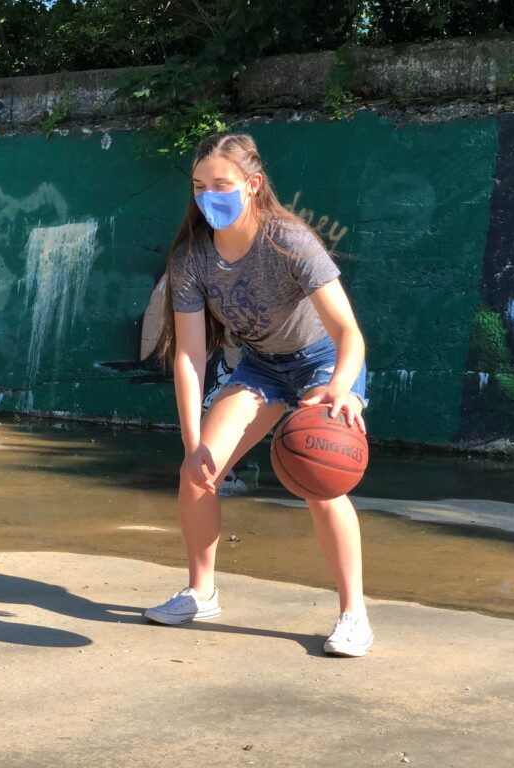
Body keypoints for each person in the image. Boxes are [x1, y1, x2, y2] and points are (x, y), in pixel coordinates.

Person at [143, 132, 373, 657]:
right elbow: (189, 355)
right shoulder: (192, 259)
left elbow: (349, 334)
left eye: (220, 185)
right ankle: (201, 593)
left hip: (324, 364)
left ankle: (352, 615)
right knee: (198, 473)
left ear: (252, 185)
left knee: (321, 479)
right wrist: (192, 439)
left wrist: (340, 388)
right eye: (199, 186)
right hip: (263, 366)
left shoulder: (287, 240)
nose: (207, 196)